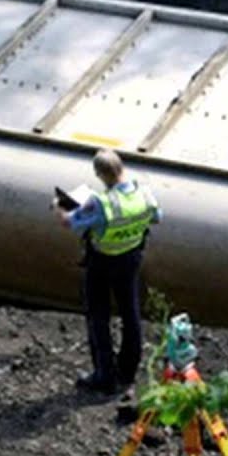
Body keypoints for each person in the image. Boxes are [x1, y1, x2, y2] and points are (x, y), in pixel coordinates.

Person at [53, 149, 162, 395]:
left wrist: (59, 207)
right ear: (121, 167)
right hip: (131, 259)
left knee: (98, 316)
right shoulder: (144, 194)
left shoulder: (100, 203)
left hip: (102, 263)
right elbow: (157, 218)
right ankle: (127, 373)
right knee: (130, 313)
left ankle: (105, 376)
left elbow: (69, 223)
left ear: (100, 175)